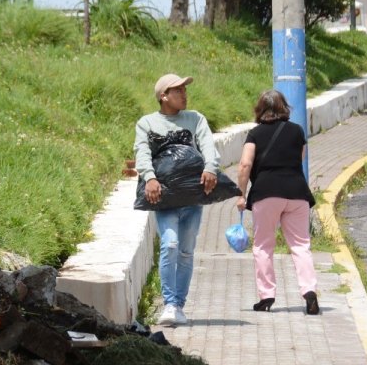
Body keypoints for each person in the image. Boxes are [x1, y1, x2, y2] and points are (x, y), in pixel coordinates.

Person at [134, 73, 219, 326]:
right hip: (165, 197)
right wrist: (149, 178)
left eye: (185, 89)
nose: (184, 94)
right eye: (178, 90)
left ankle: (179, 305)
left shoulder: (195, 119)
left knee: (185, 251)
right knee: (170, 244)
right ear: (163, 96)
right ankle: (170, 303)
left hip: (192, 196)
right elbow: (142, 153)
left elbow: (208, 146)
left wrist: (211, 169)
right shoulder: (147, 123)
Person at [235, 89, 320, 315]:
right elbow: (299, 159)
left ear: (260, 110)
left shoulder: (254, 134)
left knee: (263, 246)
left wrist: (241, 194)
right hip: (297, 193)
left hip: (267, 193)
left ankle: (267, 296)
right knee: (301, 246)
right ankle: (309, 292)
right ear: (284, 109)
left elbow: (244, 164)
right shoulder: (297, 131)